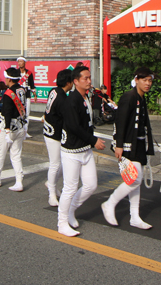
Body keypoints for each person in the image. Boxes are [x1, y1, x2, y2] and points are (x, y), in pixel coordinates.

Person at [101, 67, 155, 230]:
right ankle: (110, 203)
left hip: (139, 143)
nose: (147, 84)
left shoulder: (141, 97)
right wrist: (118, 145)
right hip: (127, 145)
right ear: (136, 80)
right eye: (144, 80)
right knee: (134, 179)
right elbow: (120, 122)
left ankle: (134, 216)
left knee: (135, 180)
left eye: (149, 80)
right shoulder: (129, 97)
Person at [57, 65, 107, 237]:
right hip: (71, 151)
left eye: (89, 78)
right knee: (69, 188)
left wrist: (91, 142)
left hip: (85, 149)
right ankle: (61, 223)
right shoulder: (71, 100)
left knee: (91, 185)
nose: (89, 81)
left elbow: (87, 124)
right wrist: (94, 140)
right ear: (75, 81)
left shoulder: (85, 97)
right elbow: (73, 126)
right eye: (85, 78)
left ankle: (71, 210)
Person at [0, 68, 29, 191]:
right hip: (21, 126)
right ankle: (19, 181)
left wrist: (6, 130)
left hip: (10, 128)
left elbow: (7, 112)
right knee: (16, 155)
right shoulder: (22, 90)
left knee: (0, 153)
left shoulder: (8, 93)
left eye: (6, 78)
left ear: (9, 79)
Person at [40, 69, 72, 207]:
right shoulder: (63, 99)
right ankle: (51, 194)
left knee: (61, 164)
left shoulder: (54, 91)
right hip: (54, 134)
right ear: (68, 82)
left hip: (49, 130)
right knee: (55, 164)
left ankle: (51, 184)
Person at [16, 57, 36, 136]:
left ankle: (25, 131)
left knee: (27, 112)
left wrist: (34, 95)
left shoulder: (29, 73)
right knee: (18, 112)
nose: (20, 63)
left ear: (25, 63)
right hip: (18, 95)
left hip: (27, 94)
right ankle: (18, 129)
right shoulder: (16, 72)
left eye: (21, 61)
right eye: (19, 61)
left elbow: (32, 85)